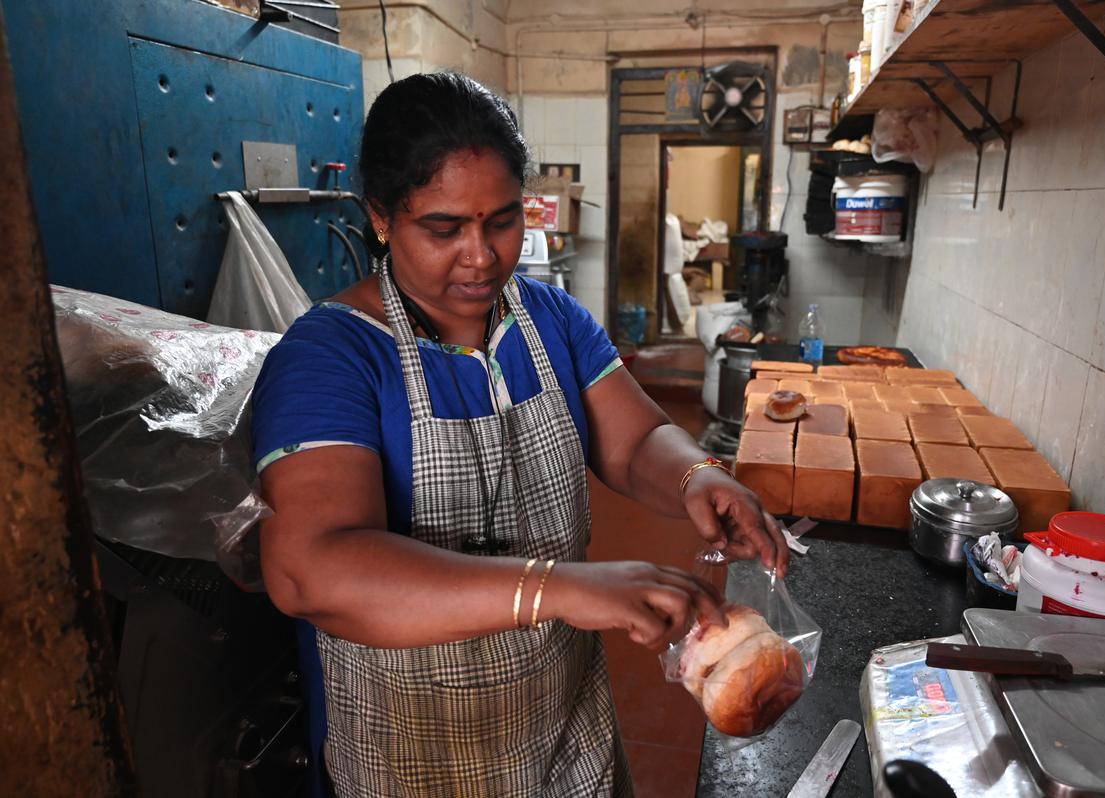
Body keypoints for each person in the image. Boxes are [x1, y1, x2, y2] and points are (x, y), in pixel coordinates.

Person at [252, 71, 788, 798]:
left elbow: (632, 442)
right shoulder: (332, 357)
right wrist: (555, 586)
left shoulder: (549, 320)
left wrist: (698, 475)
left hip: (566, 726)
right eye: (444, 229)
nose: (481, 256)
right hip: (416, 748)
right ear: (380, 216)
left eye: (502, 221)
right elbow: (310, 568)